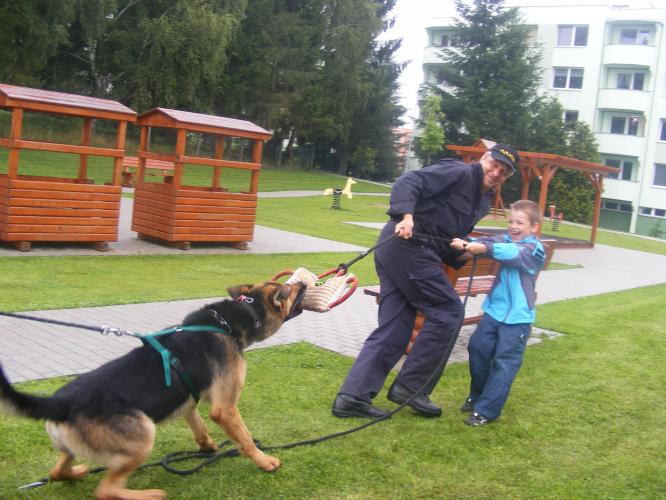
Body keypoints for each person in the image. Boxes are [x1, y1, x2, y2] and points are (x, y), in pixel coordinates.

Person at [332, 143, 520, 419]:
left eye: (504, 172)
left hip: (408, 253)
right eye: (494, 164)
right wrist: (406, 216)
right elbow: (410, 181)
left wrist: (466, 251)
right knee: (448, 311)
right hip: (406, 246)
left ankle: (351, 398)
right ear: (484, 158)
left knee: (396, 327)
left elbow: (445, 236)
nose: (496, 172)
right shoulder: (456, 171)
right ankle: (411, 388)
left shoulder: (482, 202)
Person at [450, 199, 546, 426]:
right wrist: (467, 243)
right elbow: (489, 241)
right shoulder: (505, 239)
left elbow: (513, 253)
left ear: (534, 227)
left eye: (520, 222)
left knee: (504, 363)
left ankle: (486, 411)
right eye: (510, 221)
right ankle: (477, 395)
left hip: (518, 319)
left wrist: (485, 248)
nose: (513, 226)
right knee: (477, 347)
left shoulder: (536, 249)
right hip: (494, 312)